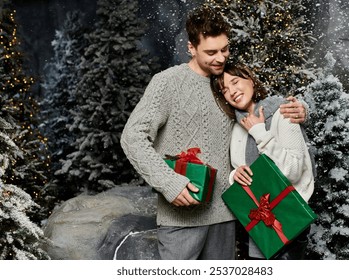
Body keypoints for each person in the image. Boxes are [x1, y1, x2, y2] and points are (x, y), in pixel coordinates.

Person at [120, 6, 307, 260]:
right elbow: (132, 137)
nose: (220, 58)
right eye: (211, 52)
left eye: (225, 49)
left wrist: (302, 108)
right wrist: (170, 183)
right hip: (181, 218)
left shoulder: (227, 85)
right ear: (191, 48)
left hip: (228, 217)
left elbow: (267, 105)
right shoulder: (167, 82)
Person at [210, 62, 315, 259]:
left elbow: (292, 171)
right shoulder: (236, 127)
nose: (232, 91)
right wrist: (235, 175)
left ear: (250, 79)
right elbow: (237, 169)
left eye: (235, 81)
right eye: (225, 90)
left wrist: (259, 133)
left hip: (288, 219)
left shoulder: (282, 113)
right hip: (254, 223)